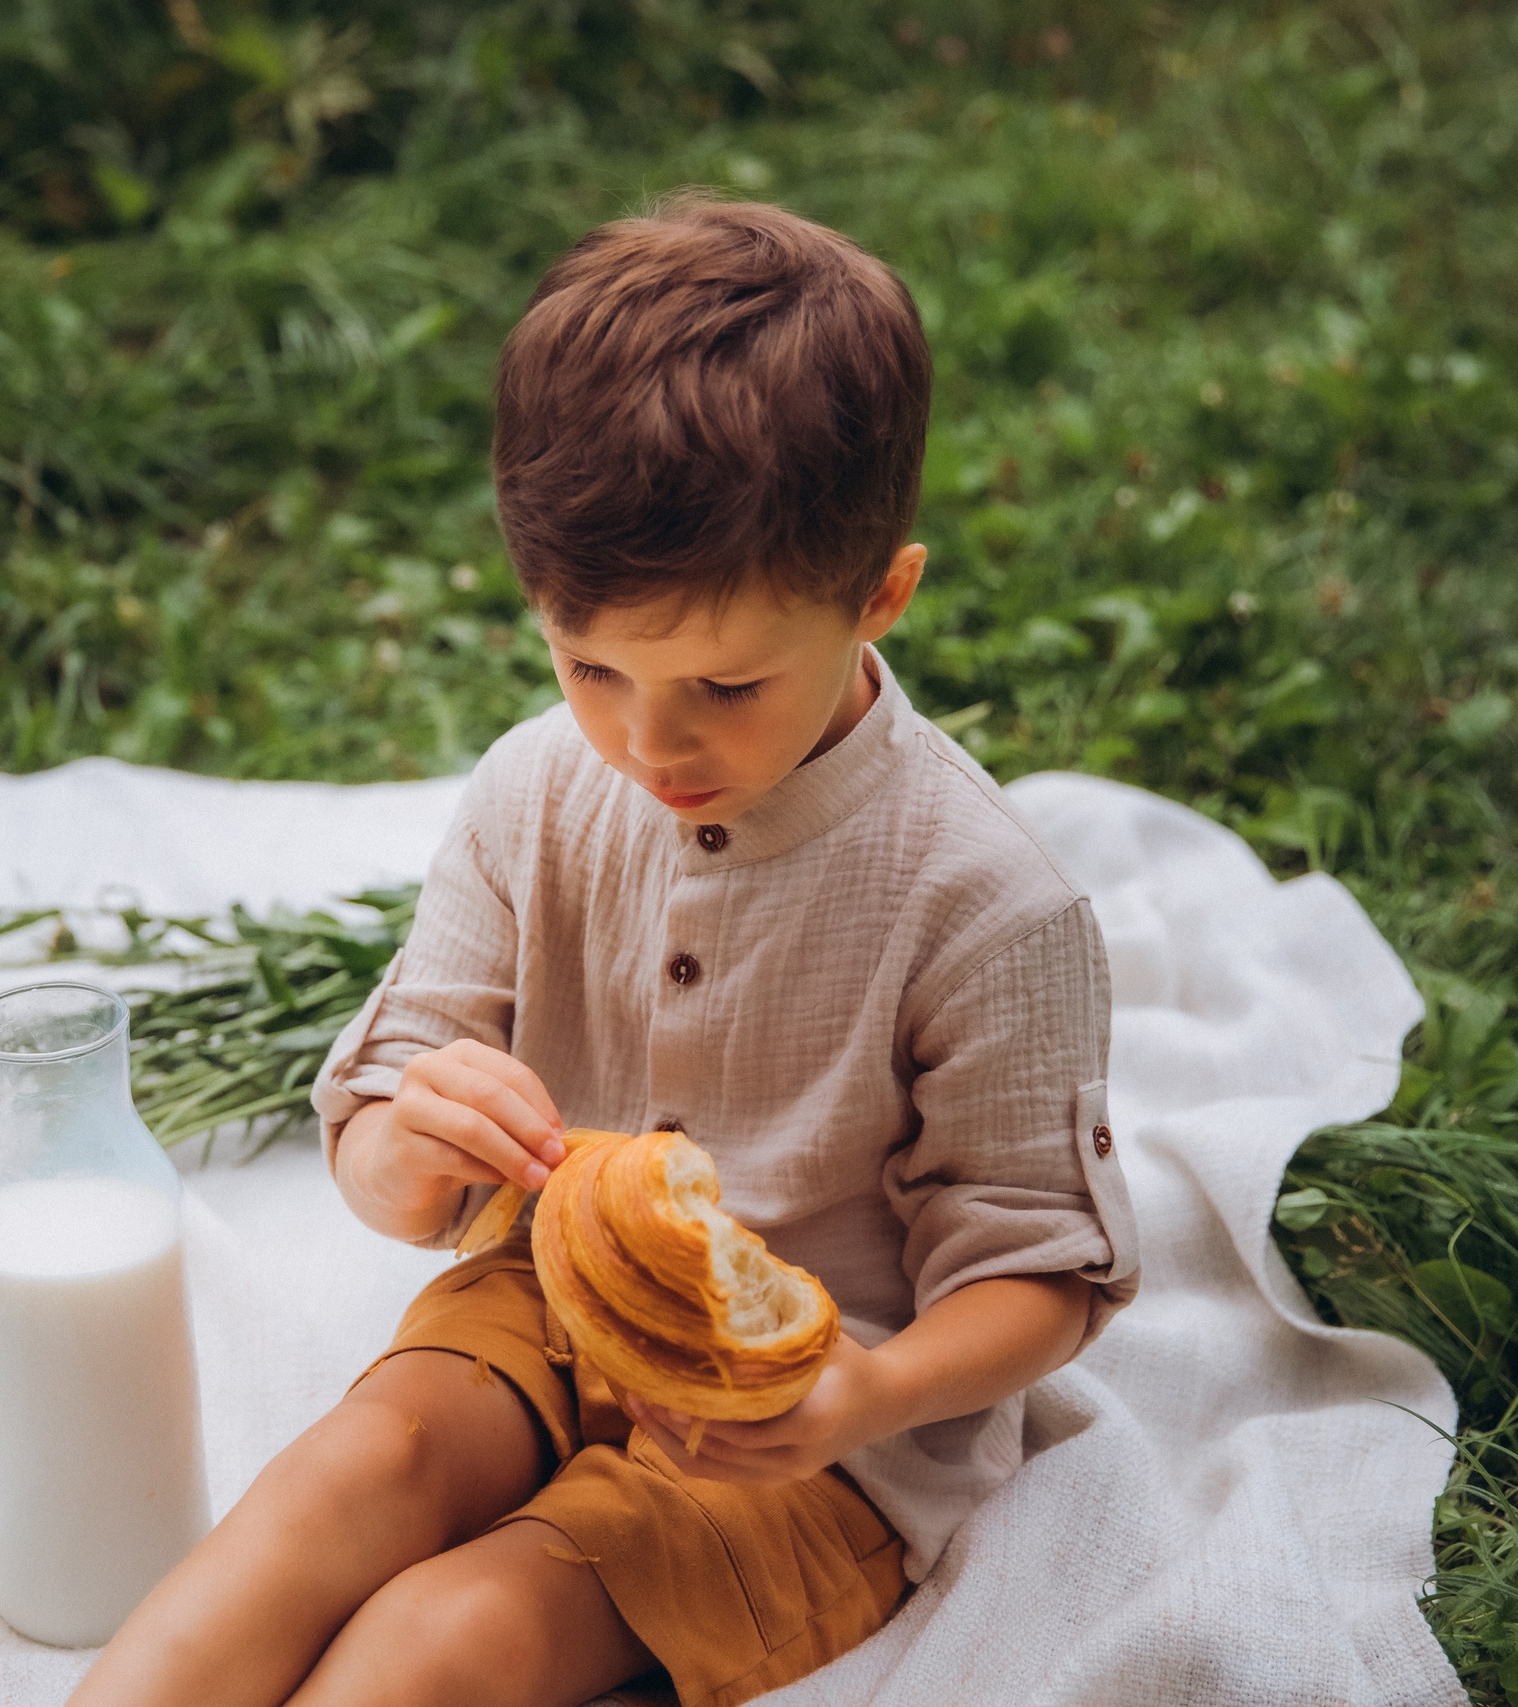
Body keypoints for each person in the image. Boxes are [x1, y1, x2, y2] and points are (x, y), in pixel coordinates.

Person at [68, 194, 1139, 1707]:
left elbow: (1043, 1266)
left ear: (880, 596)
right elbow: (384, 1134)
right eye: (589, 666)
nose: (649, 744)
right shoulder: (533, 791)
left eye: (725, 686)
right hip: (545, 1295)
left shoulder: (987, 904)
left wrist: (869, 1393)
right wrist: (405, 1148)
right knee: (342, 1479)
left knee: (457, 1632)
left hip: (816, 1431)